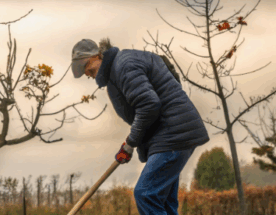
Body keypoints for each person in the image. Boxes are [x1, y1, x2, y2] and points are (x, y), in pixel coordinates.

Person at [70, 38, 209, 215]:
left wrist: (130, 144)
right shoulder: (118, 68)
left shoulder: (123, 65)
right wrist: (131, 144)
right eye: (83, 71)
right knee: (164, 202)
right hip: (171, 134)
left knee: (146, 194)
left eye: (86, 65)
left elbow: (149, 104)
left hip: (173, 135)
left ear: (97, 55)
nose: (87, 73)